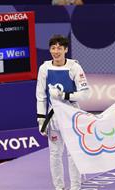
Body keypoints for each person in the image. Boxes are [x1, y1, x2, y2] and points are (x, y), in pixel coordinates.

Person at [36, 35, 90, 190]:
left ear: (66, 50)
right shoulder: (44, 68)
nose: (56, 51)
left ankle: (75, 187)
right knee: (54, 155)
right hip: (53, 119)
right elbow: (41, 96)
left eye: (60, 48)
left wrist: (64, 95)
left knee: (73, 154)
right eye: (53, 48)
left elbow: (85, 93)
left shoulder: (74, 67)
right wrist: (41, 120)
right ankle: (59, 187)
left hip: (72, 118)